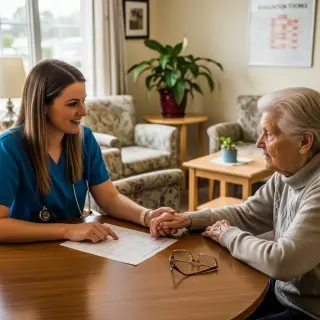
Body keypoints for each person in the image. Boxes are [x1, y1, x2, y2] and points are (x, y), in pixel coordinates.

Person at [150, 87, 320, 320]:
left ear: (304, 141)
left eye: (269, 134)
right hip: (285, 291)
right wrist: (188, 219)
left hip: (310, 310)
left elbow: (282, 261)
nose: (259, 142)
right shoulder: (287, 172)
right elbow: (249, 213)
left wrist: (228, 235)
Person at [0, 59, 174, 244]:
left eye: (83, 101)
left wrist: (146, 216)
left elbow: (110, 199)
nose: (83, 111)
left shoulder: (84, 139)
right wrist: (67, 230)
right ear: (43, 105)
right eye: (73, 104)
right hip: (25, 251)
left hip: (75, 246)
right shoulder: (8, 147)